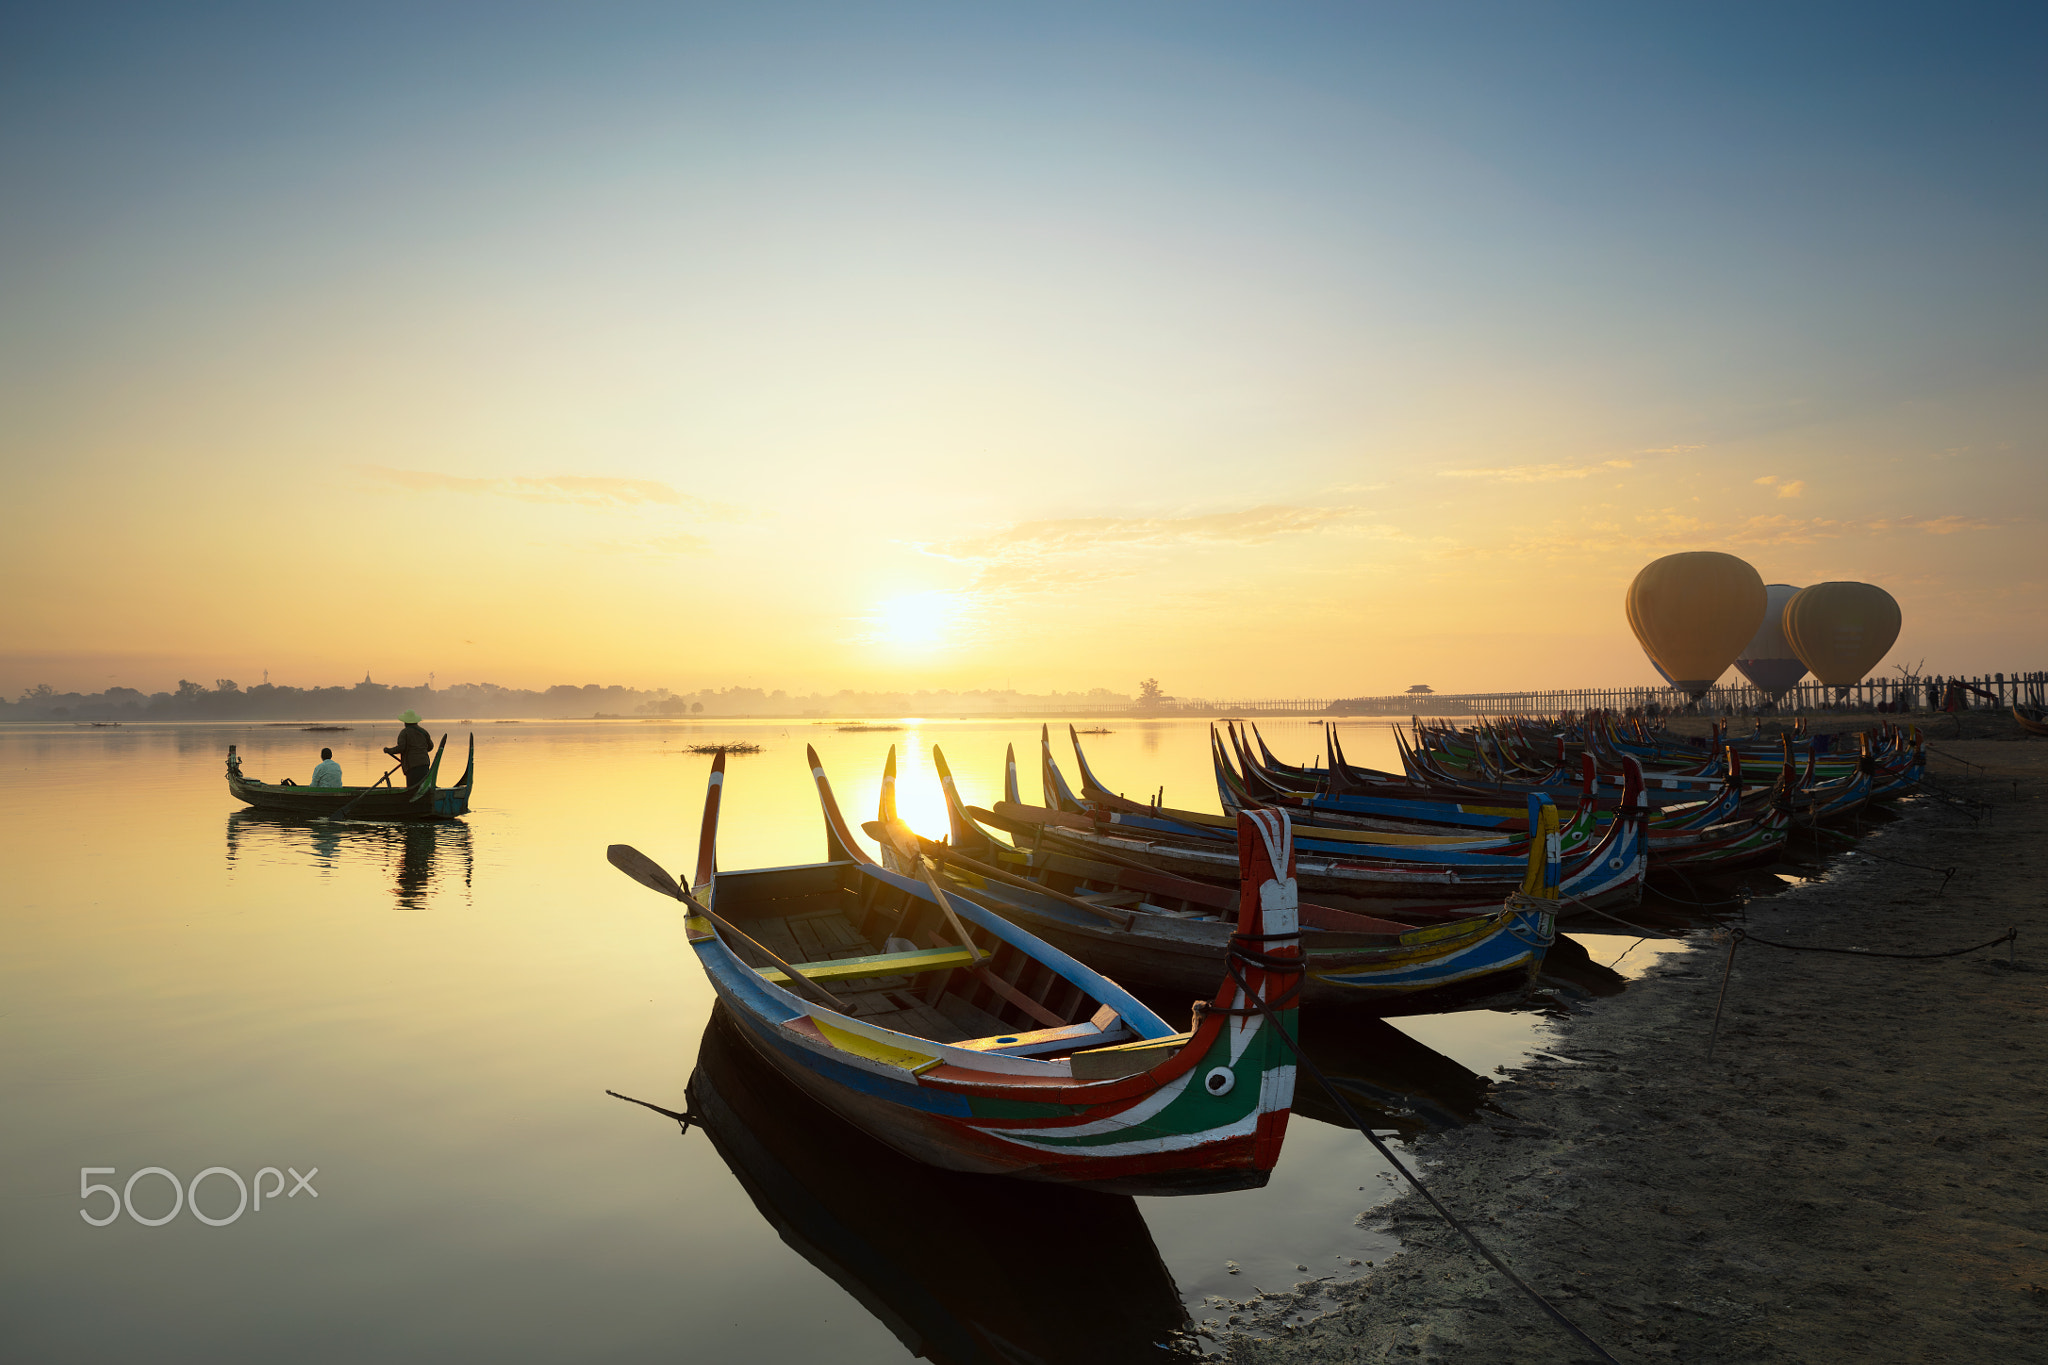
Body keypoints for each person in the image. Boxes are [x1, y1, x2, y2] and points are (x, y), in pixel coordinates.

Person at [384, 711, 434, 788]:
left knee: (412, 788)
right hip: (424, 764)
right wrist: (420, 750)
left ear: (406, 722)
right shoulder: (423, 732)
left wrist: (388, 750)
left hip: (412, 766)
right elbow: (430, 747)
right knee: (423, 787)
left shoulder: (404, 732)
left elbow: (401, 748)